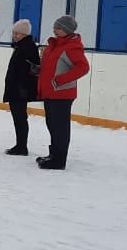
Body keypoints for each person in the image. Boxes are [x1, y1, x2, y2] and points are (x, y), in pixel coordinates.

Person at [36, 15, 90, 170]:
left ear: (66, 30)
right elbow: (52, 66)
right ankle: (53, 154)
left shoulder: (72, 47)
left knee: (60, 127)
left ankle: (59, 160)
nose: (54, 30)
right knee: (51, 124)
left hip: (62, 94)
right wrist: (39, 69)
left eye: (58, 28)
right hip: (49, 92)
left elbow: (83, 67)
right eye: (54, 26)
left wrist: (61, 80)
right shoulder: (54, 45)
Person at [3, 19, 40, 155]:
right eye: (14, 33)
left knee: (20, 117)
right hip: (17, 87)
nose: (14, 35)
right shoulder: (20, 46)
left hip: (21, 88)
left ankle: (21, 146)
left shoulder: (28, 47)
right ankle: (20, 145)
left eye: (17, 33)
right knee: (18, 117)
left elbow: (31, 69)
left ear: (24, 34)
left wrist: (22, 86)